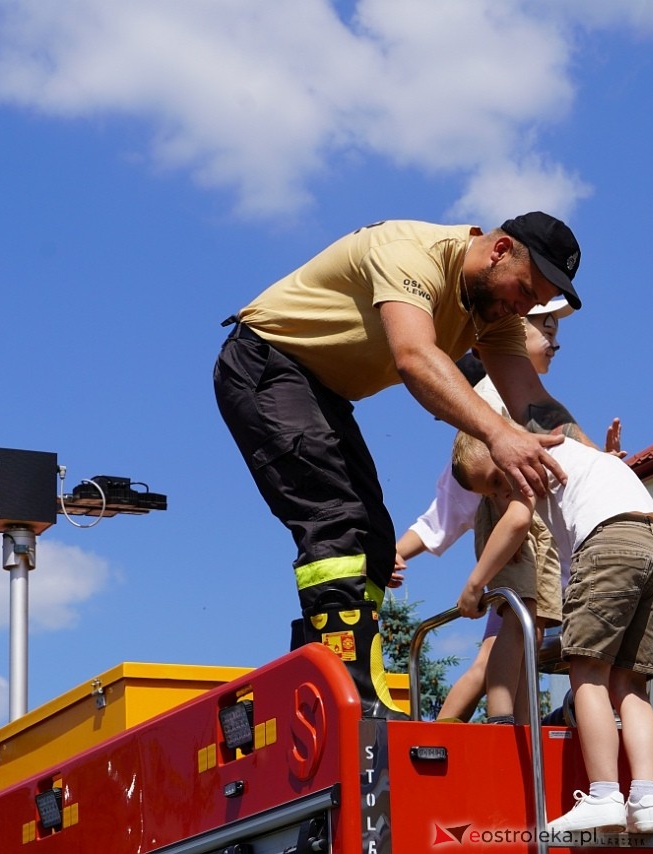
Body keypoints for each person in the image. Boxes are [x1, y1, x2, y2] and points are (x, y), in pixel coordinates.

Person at [213, 212, 588, 719]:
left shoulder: (493, 316)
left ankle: (353, 686)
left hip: (321, 391)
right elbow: (414, 356)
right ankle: (348, 700)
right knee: (337, 525)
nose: (523, 308)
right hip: (265, 361)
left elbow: (533, 402)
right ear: (499, 250)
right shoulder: (413, 252)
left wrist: (599, 466)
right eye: (524, 290)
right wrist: (499, 434)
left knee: (374, 538)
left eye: (535, 303)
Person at [451, 425, 653, 835]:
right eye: (492, 493)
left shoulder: (522, 453)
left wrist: (474, 584)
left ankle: (604, 794)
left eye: (499, 480)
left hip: (609, 543)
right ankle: (646, 799)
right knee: (632, 684)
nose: (504, 493)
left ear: (501, 444)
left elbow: (518, 519)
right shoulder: (569, 449)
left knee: (588, 674)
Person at [395, 299, 573, 723]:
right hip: (516, 548)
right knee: (500, 647)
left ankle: (518, 727)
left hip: (533, 550)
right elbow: (445, 513)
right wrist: (396, 550)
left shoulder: (528, 403)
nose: (553, 340)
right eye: (542, 327)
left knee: (522, 642)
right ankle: (454, 731)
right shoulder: (489, 413)